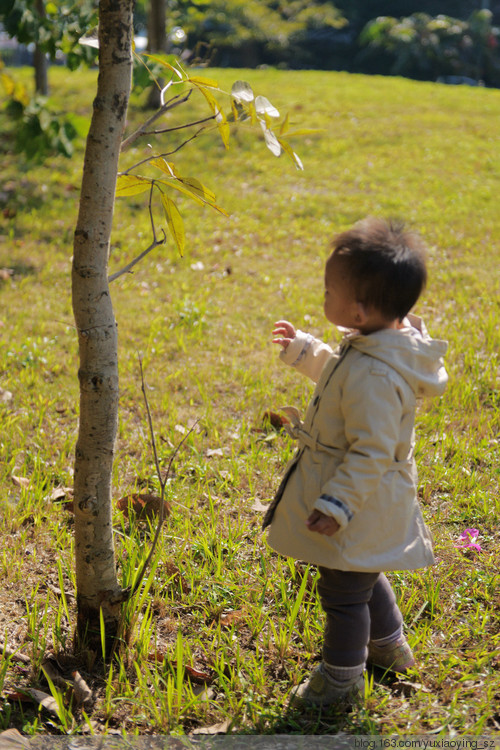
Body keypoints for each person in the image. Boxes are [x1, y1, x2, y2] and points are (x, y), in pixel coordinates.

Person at [262, 217, 448, 707]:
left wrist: (338, 504)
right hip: (368, 496)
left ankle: (341, 682)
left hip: (361, 497)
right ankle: (389, 649)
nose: (322, 297)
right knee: (361, 572)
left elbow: (372, 450)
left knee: (344, 592)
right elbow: (341, 380)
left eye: (328, 291)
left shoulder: (375, 374)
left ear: (360, 310)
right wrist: (306, 352)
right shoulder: (375, 346)